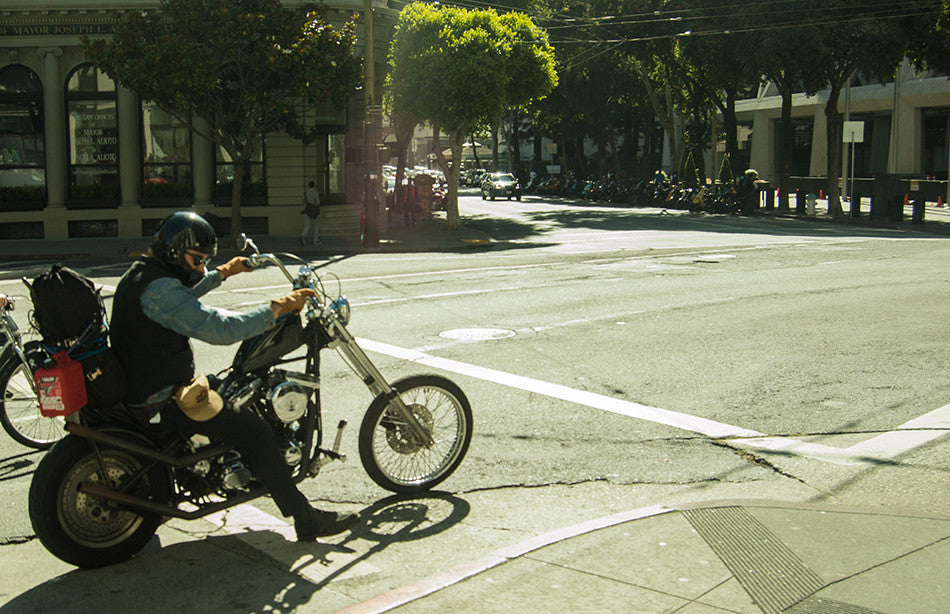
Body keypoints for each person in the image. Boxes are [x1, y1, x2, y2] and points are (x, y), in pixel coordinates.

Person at [110, 211, 358, 541]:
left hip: (151, 382)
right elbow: (223, 329)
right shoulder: (161, 291)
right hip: (160, 397)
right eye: (196, 260)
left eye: (204, 262)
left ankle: (235, 462)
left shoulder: (144, 273)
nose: (200, 268)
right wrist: (279, 307)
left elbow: (179, 300)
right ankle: (305, 518)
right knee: (256, 432)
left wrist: (222, 273)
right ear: (173, 250)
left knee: (232, 387)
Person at [300, 180, 321, 245]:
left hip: (307, 211)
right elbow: (318, 203)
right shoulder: (315, 193)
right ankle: (315, 240)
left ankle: (303, 235)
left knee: (308, 225)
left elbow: (302, 202)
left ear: (309, 186)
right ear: (314, 186)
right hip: (314, 211)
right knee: (316, 225)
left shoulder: (306, 193)